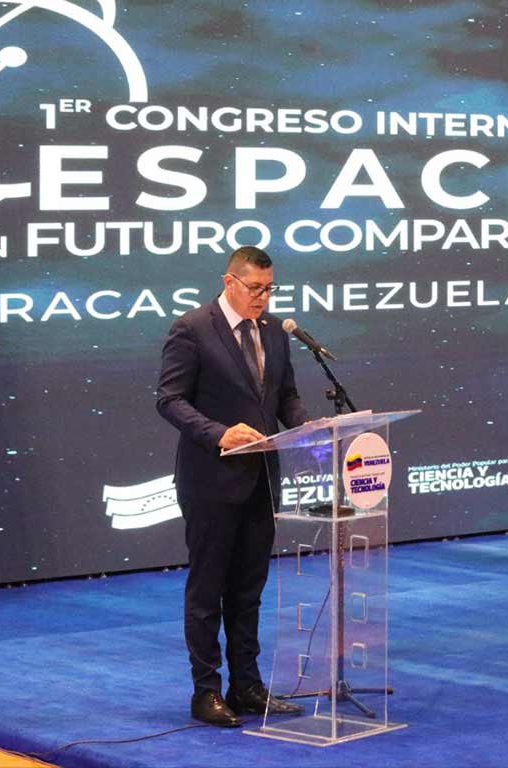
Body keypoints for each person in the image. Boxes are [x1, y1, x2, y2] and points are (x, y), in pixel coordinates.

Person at [156, 246, 308, 727]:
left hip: (261, 480)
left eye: (269, 289)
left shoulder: (275, 332)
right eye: (254, 288)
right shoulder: (192, 329)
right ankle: (206, 692)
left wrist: (310, 429)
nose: (263, 297)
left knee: (248, 589)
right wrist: (218, 433)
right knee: (208, 590)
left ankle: (247, 686)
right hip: (211, 480)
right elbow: (169, 399)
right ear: (229, 282)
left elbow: (285, 396)